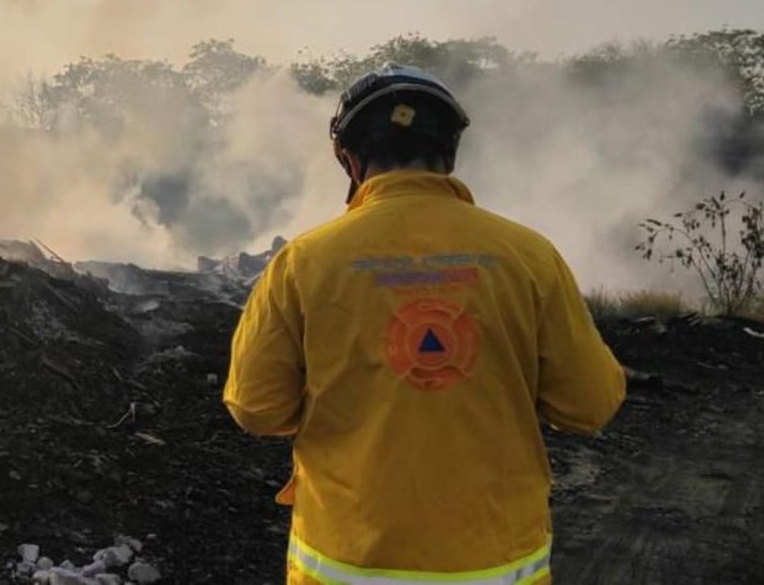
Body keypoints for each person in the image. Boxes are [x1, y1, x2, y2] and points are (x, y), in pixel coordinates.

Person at [224, 63, 625, 585]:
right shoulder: (529, 256)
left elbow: (256, 408)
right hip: (495, 564)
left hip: (344, 563)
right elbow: (589, 404)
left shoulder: (302, 263)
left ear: (349, 160)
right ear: (449, 154)